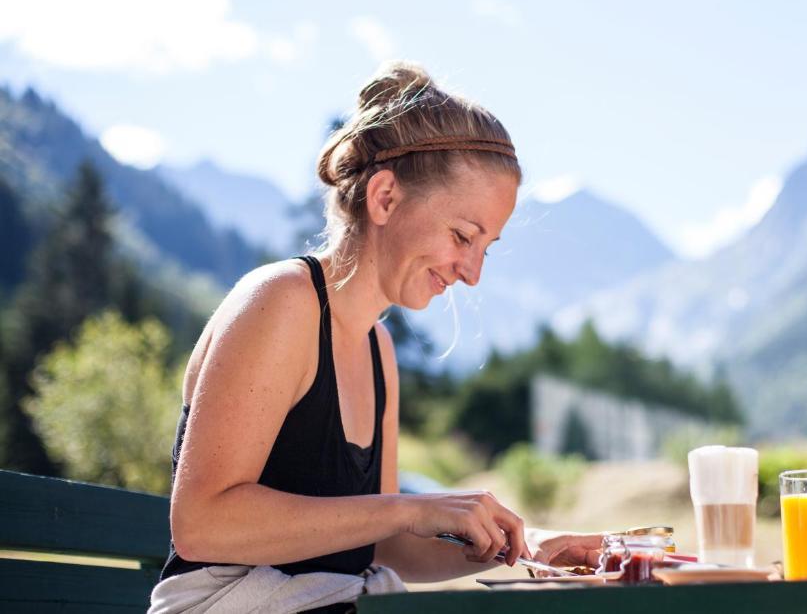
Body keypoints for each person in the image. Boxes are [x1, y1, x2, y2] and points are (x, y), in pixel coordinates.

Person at [149, 62, 601, 613]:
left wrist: (527, 549)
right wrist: (406, 508)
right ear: (385, 197)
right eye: (463, 236)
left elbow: (380, 546)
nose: (472, 273)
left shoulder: (376, 349)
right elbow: (202, 524)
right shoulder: (280, 301)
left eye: (488, 247)